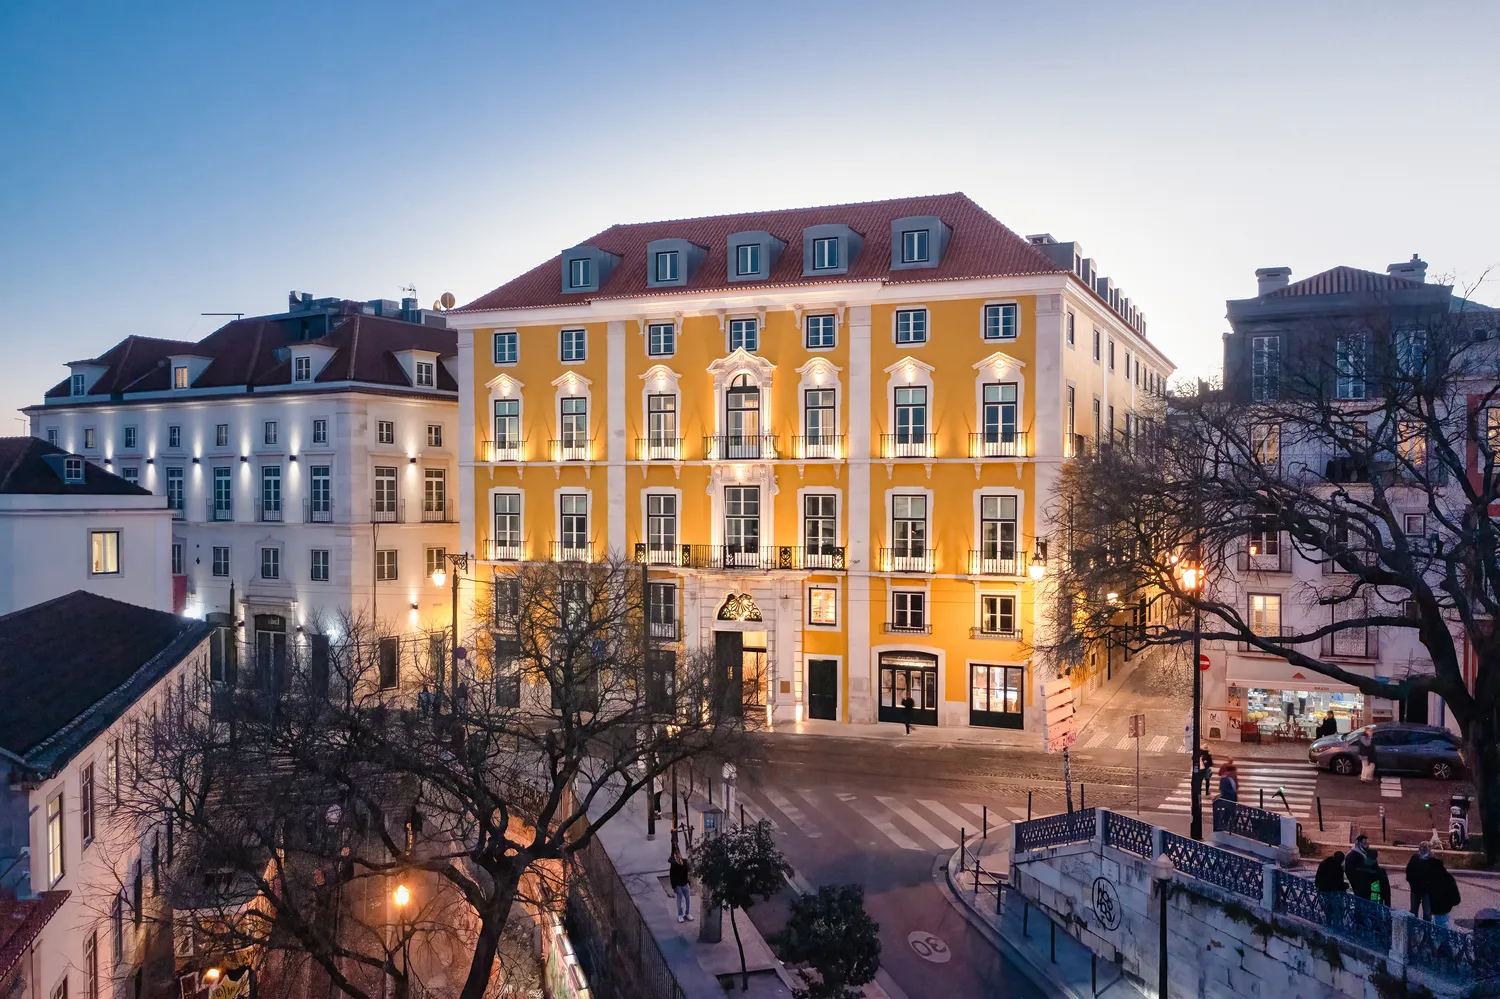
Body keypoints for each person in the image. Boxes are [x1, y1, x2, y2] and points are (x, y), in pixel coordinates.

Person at [1406, 841, 1435, 920]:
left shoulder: (1432, 860)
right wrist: (1412, 883)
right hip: (1415, 889)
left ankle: (1427, 931)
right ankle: (1413, 930)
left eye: (1425, 847)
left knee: (1427, 913)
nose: (1423, 849)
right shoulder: (1414, 858)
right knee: (1413, 912)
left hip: (1427, 891)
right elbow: (1408, 872)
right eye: (1421, 847)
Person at [1429, 856, 1461, 928]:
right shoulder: (1448, 877)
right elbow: (1456, 896)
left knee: (1437, 926)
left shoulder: (1431, 878)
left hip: (1436, 907)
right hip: (1445, 907)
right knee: (1442, 925)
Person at [1345, 835, 1375, 899]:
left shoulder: (1361, 853)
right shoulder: (1354, 855)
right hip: (1357, 884)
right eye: (1364, 843)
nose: (1366, 845)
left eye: (1366, 843)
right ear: (1359, 843)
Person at [669, 847, 693, 923]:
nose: (678, 856)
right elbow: (672, 876)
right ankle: (680, 915)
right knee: (680, 901)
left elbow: (688, 871)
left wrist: (689, 882)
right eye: (677, 855)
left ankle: (687, 913)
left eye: (679, 855)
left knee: (688, 900)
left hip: (685, 884)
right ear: (675, 856)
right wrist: (673, 886)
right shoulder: (673, 865)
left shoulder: (684, 862)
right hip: (678, 885)